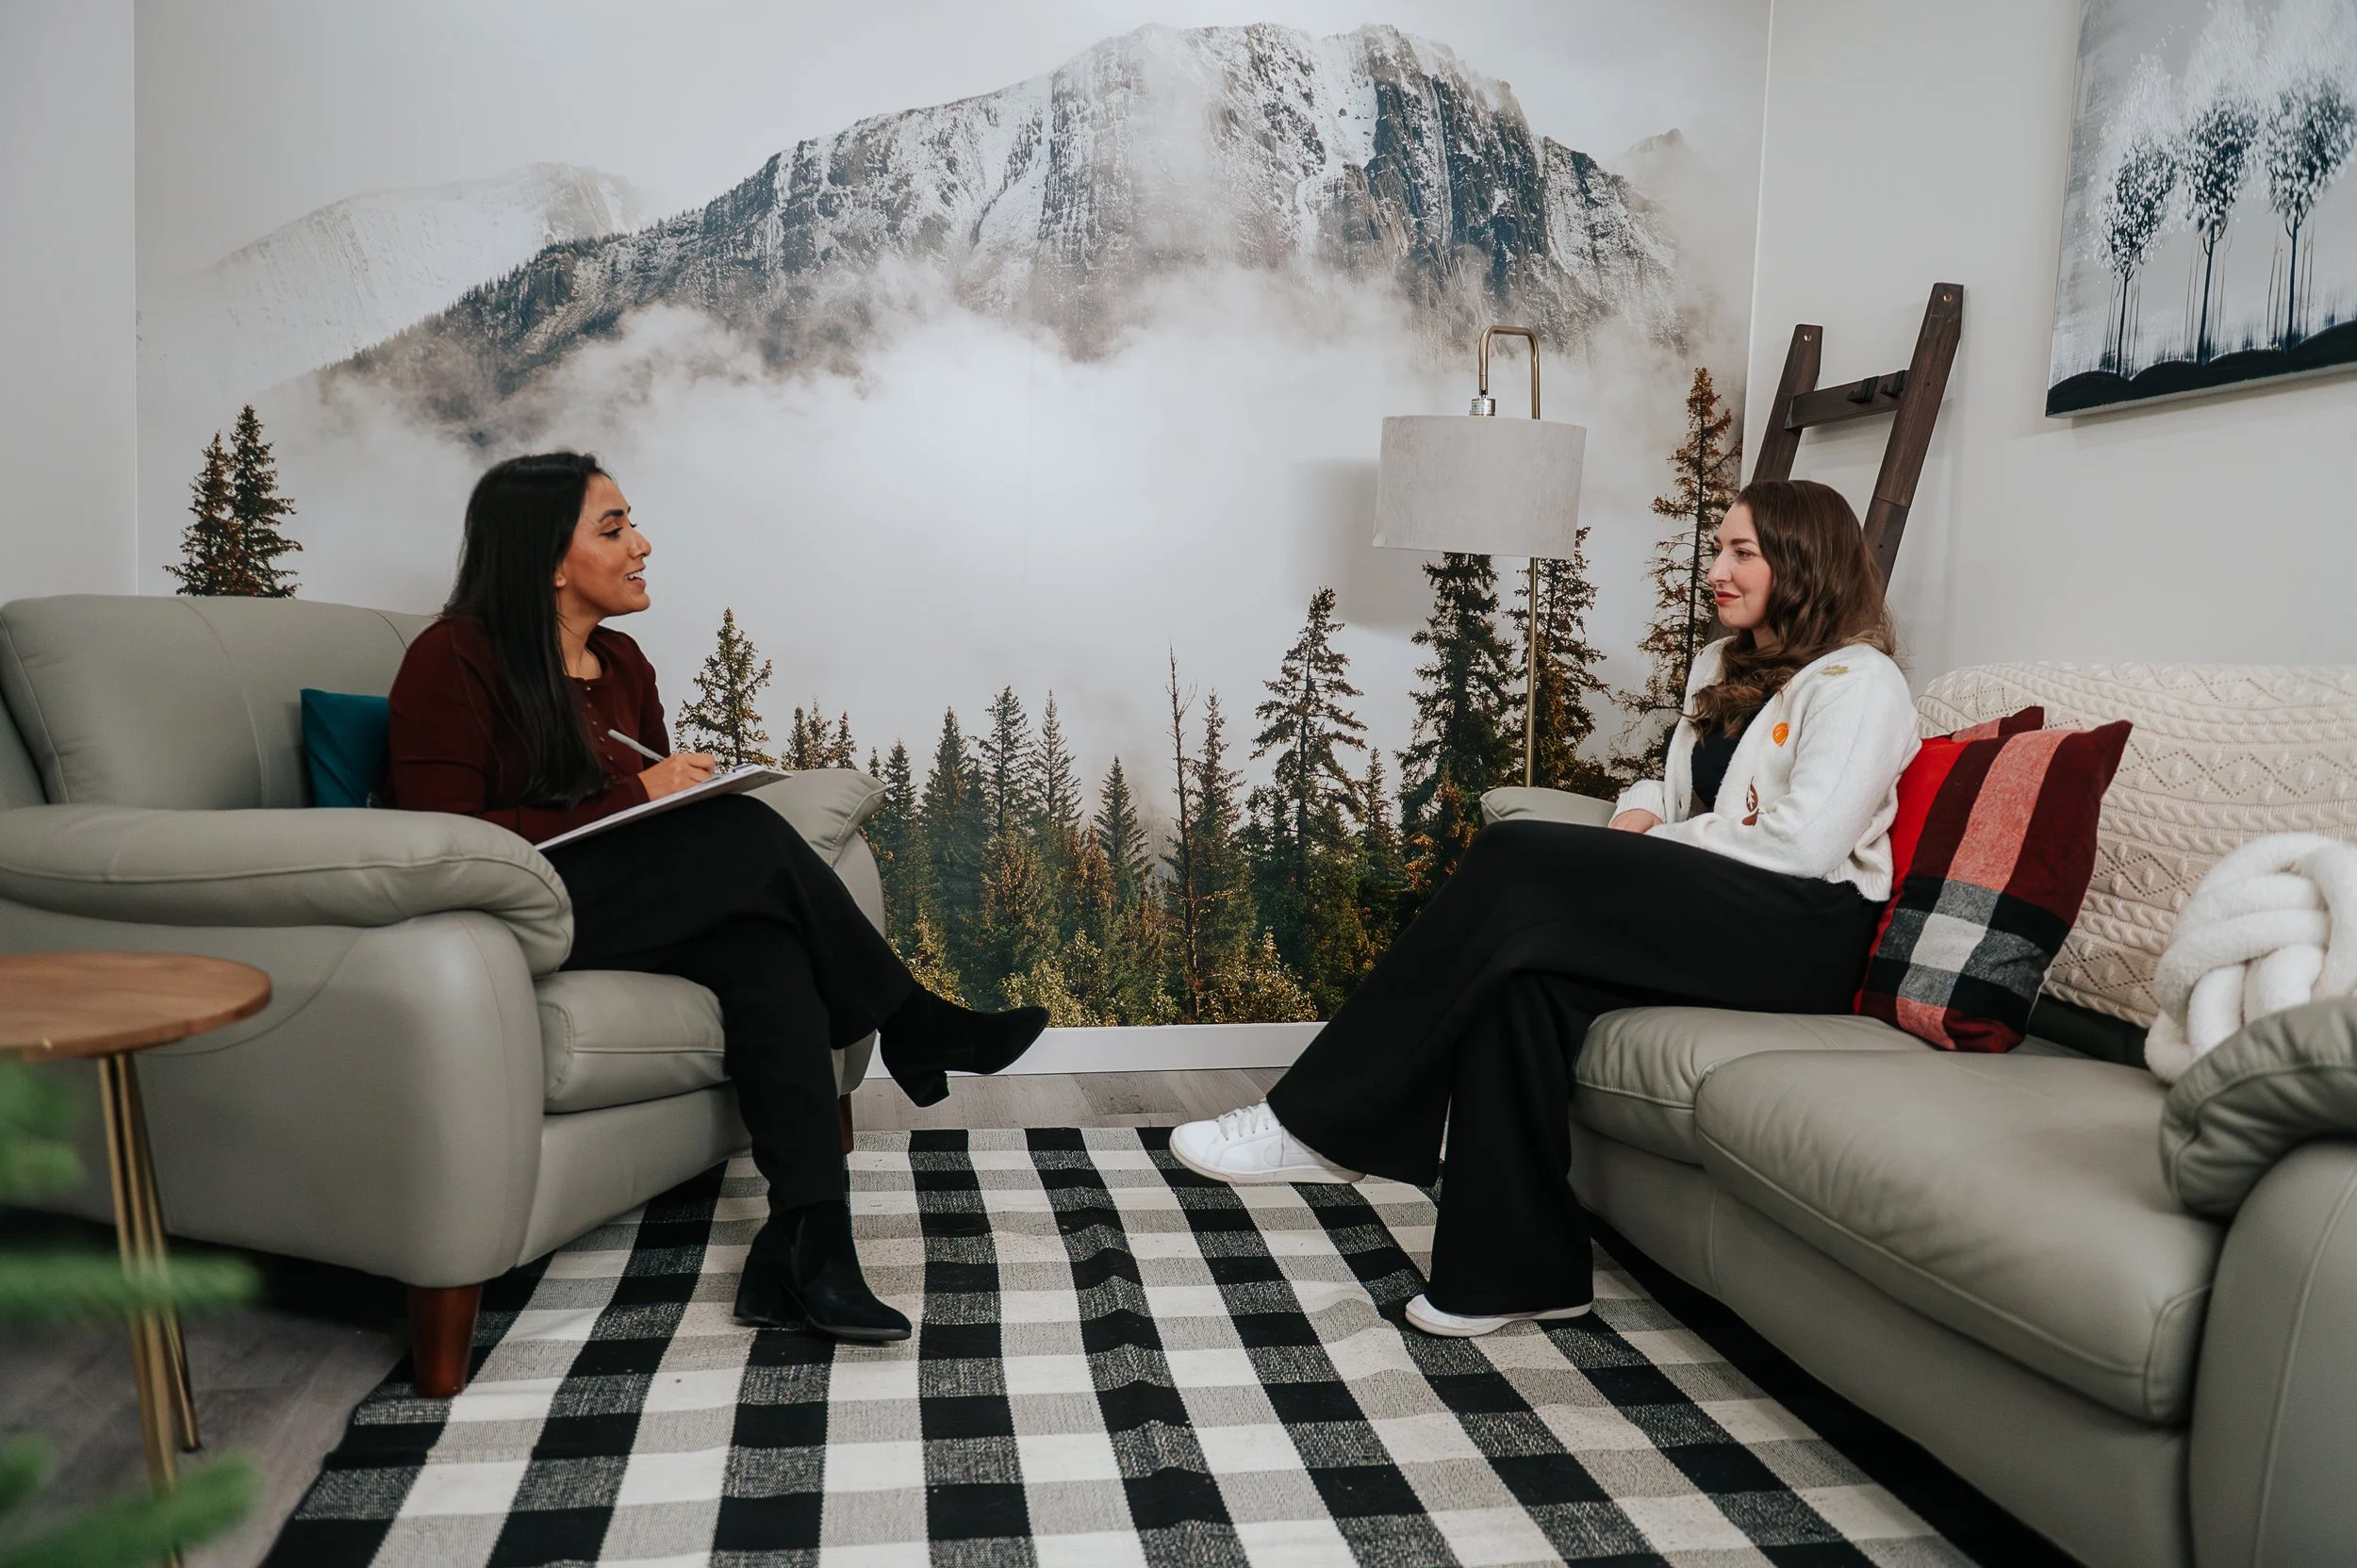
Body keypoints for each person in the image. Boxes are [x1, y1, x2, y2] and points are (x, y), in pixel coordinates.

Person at [1170, 478, 1919, 1337]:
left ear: (1803, 561)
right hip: (1724, 906)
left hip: (1803, 929)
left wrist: (1642, 850)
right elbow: (1688, 787)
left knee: (1517, 853)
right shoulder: (1724, 665)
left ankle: (1324, 1122)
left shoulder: (1862, 682)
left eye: (1741, 552)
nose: (1717, 568)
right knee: (1523, 979)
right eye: (1718, 548)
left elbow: (1802, 845)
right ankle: (1513, 1272)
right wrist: (1640, 807)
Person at [386, 451, 1046, 1343]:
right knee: (743, 837)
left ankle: (811, 1251)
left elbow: (645, 831)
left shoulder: (622, 664)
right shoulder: (453, 658)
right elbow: (436, 838)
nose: (642, 544)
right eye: (614, 528)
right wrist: (642, 794)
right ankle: (914, 1020)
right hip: (511, 919)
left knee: (765, 953)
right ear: (548, 558)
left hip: (622, 906)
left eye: (633, 523)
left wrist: (671, 794)